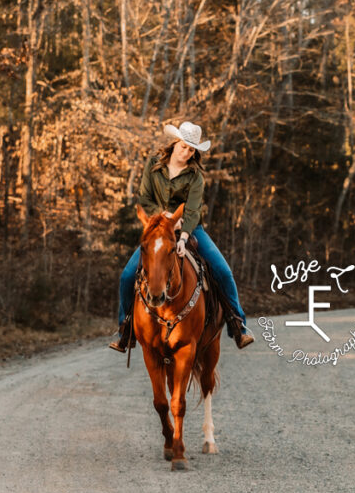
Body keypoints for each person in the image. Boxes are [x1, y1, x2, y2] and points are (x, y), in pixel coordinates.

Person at [109, 121, 254, 352]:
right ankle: (125, 329)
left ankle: (238, 326)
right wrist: (162, 215)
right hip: (158, 228)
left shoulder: (195, 176)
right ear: (175, 143)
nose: (186, 152)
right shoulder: (154, 165)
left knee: (223, 271)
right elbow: (144, 197)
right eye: (183, 146)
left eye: (191, 149)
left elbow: (194, 209)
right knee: (127, 276)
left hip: (190, 228)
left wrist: (184, 236)